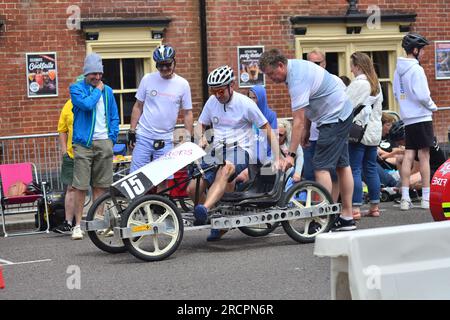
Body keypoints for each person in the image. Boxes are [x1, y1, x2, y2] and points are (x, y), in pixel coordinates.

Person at [259, 48, 356, 231]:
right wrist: (307, 130)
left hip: (334, 117)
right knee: (342, 165)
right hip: (340, 113)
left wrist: (291, 155)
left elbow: (297, 120)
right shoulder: (295, 69)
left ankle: (323, 219)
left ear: (281, 65)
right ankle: (347, 217)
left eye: (272, 74)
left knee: (321, 167)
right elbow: (311, 104)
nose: (272, 79)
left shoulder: (297, 79)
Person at [187, 65, 280, 241]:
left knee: (226, 170)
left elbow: (267, 129)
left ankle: (205, 209)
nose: (217, 95)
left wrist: (277, 157)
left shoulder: (245, 104)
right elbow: (201, 124)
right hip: (217, 149)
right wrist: (201, 138)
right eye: (214, 91)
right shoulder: (212, 102)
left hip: (242, 149)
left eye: (221, 91)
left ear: (232, 86)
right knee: (192, 187)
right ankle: (217, 217)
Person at [69, 53, 119, 240]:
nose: (97, 77)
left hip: (104, 142)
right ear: (86, 73)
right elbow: (86, 105)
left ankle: (100, 223)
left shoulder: (108, 91)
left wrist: (111, 138)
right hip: (83, 143)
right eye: (93, 74)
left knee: (101, 186)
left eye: (100, 74)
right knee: (80, 186)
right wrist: (98, 90)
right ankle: (77, 225)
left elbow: (114, 115)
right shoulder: (76, 88)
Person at [128, 45, 193, 179]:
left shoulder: (182, 84)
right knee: (136, 177)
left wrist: (188, 137)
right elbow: (138, 106)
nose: (164, 69)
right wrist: (131, 131)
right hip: (143, 137)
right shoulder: (147, 79)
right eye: (160, 65)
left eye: (167, 65)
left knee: (162, 179)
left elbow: (187, 113)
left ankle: (159, 201)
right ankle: (139, 201)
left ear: (174, 62)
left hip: (165, 139)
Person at [393, 33, 438, 210]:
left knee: (409, 155)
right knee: (424, 156)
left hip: (408, 117)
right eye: (422, 50)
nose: (424, 54)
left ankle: (405, 198)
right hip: (422, 116)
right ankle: (426, 198)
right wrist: (432, 106)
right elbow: (422, 95)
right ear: (415, 50)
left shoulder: (398, 70)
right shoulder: (416, 69)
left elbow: (397, 93)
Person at [304, 48, 345, 202]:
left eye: (317, 63)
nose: (314, 66)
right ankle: (315, 207)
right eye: (311, 63)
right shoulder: (306, 83)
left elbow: (344, 107)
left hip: (331, 133)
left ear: (325, 63)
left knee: (331, 173)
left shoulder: (335, 81)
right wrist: (306, 131)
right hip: (313, 135)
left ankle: (330, 207)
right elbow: (305, 109)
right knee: (310, 174)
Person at [346, 52, 383, 219]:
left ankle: (355, 208)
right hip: (374, 131)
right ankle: (375, 206)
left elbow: (346, 104)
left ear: (358, 66)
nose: (351, 69)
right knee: (371, 168)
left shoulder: (359, 83)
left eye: (352, 65)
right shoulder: (376, 83)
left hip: (358, 131)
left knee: (354, 169)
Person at [278, 119, 303, 183]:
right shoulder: (270, 143)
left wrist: (297, 173)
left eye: (280, 135)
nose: (278, 137)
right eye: (276, 134)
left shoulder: (290, 141)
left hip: (291, 173)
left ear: (286, 134)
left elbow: (299, 155)